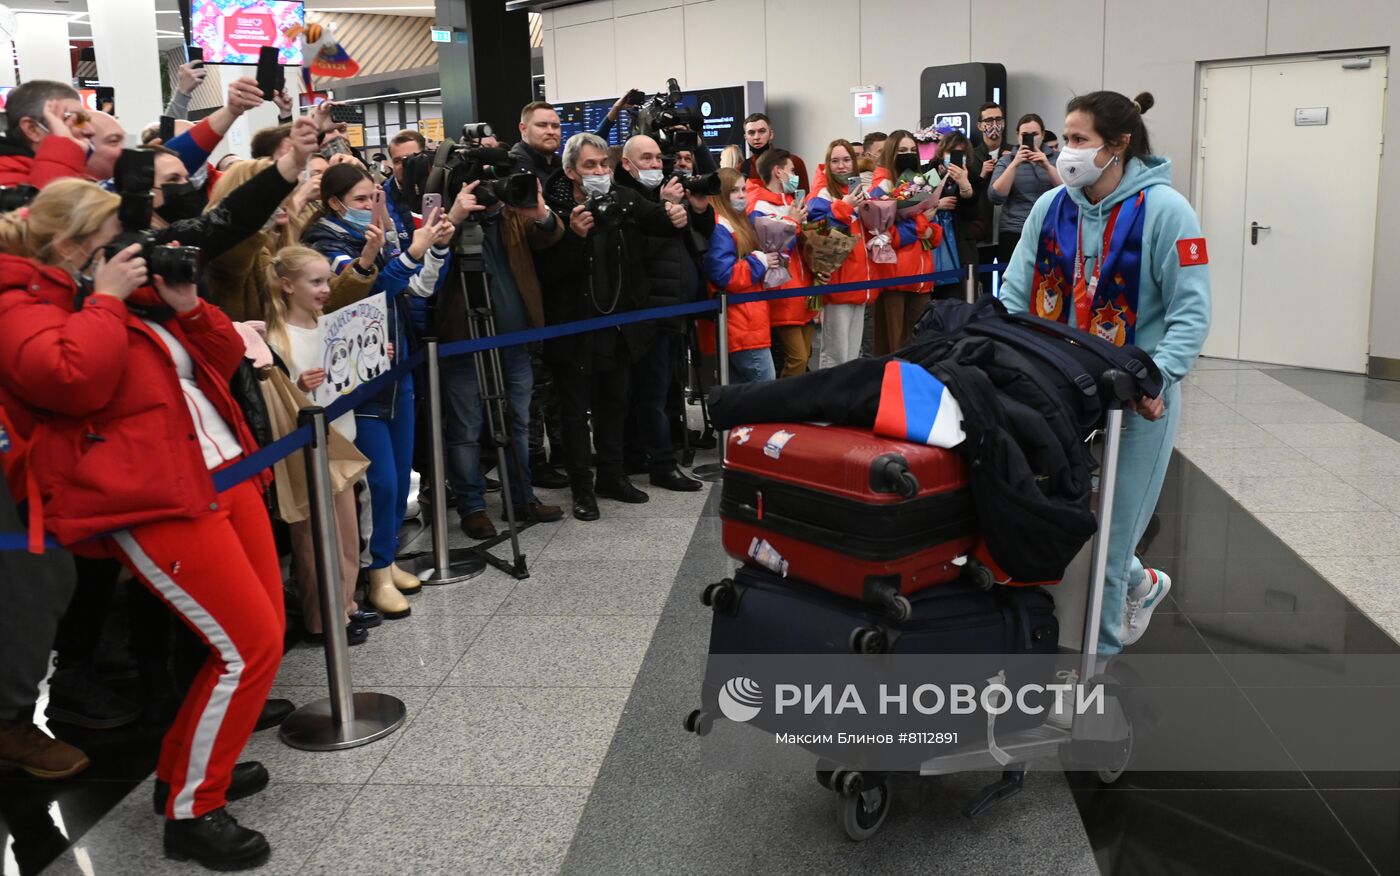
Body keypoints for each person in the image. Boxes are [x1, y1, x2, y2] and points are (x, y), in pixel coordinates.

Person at [0, 179, 285, 869]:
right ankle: (193, 808)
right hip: (153, 495)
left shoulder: (132, 300)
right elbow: (74, 382)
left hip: (220, 471)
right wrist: (104, 297)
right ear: (71, 247)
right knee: (244, 649)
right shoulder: (31, 306)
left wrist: (188, 306)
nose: (131, 250)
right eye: (112, 240)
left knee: (261, 638)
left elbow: (221, 364)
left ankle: (185, 769)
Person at [1000, 91, 1210, 653]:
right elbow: (1016, 295)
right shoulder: (1052, 208)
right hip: (1058, 395)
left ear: (1117, 146)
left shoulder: (1169, 211)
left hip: (1135, 402)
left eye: (1077, 140)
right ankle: (1145, 584)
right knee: (1063, 527)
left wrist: (1155, 378)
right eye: (1062, 139)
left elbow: (1191, 314)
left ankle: (1099, 677)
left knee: (1110, 548)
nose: (1064, 151)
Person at [302, 164, 455, 617]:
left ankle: (385, 563)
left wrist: (435, 251)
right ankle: (374, 574)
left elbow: (411, 291)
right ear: (335, 203)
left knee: (401, 473)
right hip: (357, 378)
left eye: (375, 197)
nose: (373, 206)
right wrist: (408, 252)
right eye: (363, 199)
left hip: (396, 365)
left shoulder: (376, 235)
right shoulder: (324, 244)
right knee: (381, 482)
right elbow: (363, 294)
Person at [535, 132, 688, 521]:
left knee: (615, 405)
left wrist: (677, 214)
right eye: (590, 165)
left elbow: (659, 221)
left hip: (620, 325)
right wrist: (574, 235)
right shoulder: (552, 208)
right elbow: (548, 273)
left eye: (603, 164)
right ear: (571, 170)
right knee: (574, 413)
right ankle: (582, 488)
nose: (600, 171)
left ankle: (612, 475)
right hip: (574, 329)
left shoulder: (622, 197)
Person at [262, 246, 374, 644]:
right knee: (314, 540)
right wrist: (297, 387)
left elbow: (347, 376)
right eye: (317, 282)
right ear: (287, 285)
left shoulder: (327, 323)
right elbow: (276, 402)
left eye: (327, 280)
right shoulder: (277, 338)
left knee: (345, 534)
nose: (326, 288)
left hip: (340, 442)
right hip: (309, 451)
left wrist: (371, 356)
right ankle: (321, 618)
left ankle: (343, 604)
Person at [615, 134, 712, 492]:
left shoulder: (669, 192)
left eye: (659, 158)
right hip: (647, 311)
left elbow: (699, 238)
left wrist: (697, 209)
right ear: (627, 164)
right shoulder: (624, 198)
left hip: (675, 307)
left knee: (665, 387)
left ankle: (642, 453)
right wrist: (660, 208)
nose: (656, 165)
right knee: (651, 391)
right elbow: (637, 252)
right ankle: (662, 464)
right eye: (647, 158)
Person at [868, 130, 944, 355]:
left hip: (922, 275)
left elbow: (931, 228)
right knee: (893, 345)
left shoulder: (921, 181)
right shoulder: (882, 185)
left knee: (920, 343)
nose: (908, 154)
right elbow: (880, 232)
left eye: (912, 150)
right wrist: (921, 224)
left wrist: (930, 230)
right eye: (902, 150)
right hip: (894, 277)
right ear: (891, 152)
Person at [807, 139, 874, 367]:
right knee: (835, 355)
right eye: (835, 161)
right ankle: (830, 402)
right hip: (838, 282)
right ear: (827, 164)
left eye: (846, 160)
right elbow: (818, 232)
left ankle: (847, 401)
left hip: (859, 281)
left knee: (853, 356)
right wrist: (844, 207)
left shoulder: (858, 189)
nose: (841, 166)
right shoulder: (822, 194)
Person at [747, 148, 813, 377]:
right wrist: (792, 222)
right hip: (784, 291)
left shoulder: (792, 202)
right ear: (778, 171)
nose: (795, 176)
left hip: (803, 287)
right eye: (792, 170)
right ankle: (784, 407)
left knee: (806, 357)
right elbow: (772, 246)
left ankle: (799, 407)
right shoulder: (759, 206)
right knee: (798, 358)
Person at [704, 168, 775, 383]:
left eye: (743, 189)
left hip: (747, 322)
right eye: (734, 190)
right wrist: (760, 262)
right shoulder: (720, 227)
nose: (742, 195)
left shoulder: (735, 223)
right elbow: (725, 276)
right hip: (741, 325)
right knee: (763, 391)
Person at [989, 112, 1062, 264]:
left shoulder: (1058, 159)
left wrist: (1047, 166)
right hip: (1014, 231)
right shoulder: (1007, 160)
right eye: (1025, 134)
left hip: (1051, 229)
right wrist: (1015, 163)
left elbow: (1069, 193)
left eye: (1035, 134)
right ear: (1018, 136)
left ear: (1042, 134)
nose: (1030, 138)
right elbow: (996, 196)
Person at [0, 81, 91, 189]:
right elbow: (50, 205)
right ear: (32, 129)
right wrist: (63, 149)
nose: (90, 130)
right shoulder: (6, 176)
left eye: (86, 119)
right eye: (74, 119)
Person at [929, 131, 984, 298]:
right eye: (950, 153)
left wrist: (964, 185)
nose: (954, 157)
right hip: (933, 244)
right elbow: (919, 206)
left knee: (963, 300)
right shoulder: (930, 174)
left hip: (962, 247)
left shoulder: (972, 177)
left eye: (960, 154)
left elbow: (973, 213)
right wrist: (937, 205)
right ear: (942, 153)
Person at [970, 103, 1008, 263]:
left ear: (1004, 123)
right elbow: (967, 193)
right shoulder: (971, 157)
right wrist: (981, 175)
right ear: (980, 125)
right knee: (981, 283)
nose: (994, 125)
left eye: (998, 119)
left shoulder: (1014, 153)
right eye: (989, 120)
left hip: (1008, 230)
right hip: (982, 232)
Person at [739, 113, 809, 192]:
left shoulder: (793, 162)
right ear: (746, 137)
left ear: (771, 134)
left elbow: (804, 198)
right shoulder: (742, 169)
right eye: (751, 133)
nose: (756, 137)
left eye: (762, 131)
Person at [511, 101, 563, 180]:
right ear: (523, 128)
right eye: (542, 125)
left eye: (555, 126)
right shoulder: (511, 167)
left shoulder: (564, 167)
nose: (551, 132)